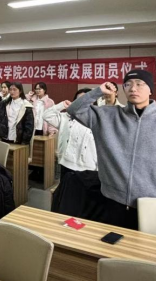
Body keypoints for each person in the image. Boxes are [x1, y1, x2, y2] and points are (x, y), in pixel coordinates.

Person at [67, 70, 156, 230]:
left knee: (145, 245)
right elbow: (74, 110)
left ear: (150, 90)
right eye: (128, 84)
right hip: (111, 200)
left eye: (139, 84)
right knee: (110, 243)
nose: (133, 88)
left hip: (152, 205)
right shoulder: (106, 116)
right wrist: (98, 91)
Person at [43, 88, 104, 220]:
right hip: (67, 165)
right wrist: (61, 105)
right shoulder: (66, 117)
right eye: (79, 100)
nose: (82, 102)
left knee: (84, 204)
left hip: (88, 170)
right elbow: (46, 115)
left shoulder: (98, 120)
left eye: (86, 99)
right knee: (67, 202)